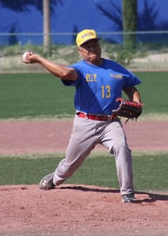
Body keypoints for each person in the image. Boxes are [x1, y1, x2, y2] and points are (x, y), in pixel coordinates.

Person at [22, 29, 142, 203]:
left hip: (111, 123)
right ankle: (56, 178)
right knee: (69, 166)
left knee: (122, 147)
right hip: (85, 123)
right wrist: (39, 59)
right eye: (86, 46)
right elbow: (64, 74)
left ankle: (128, 193)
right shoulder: (80, 69)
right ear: (80, 51)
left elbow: (131, 87)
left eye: (94, 43)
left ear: (100, 45)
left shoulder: (116, 67)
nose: (92, 48)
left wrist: (136, 102)